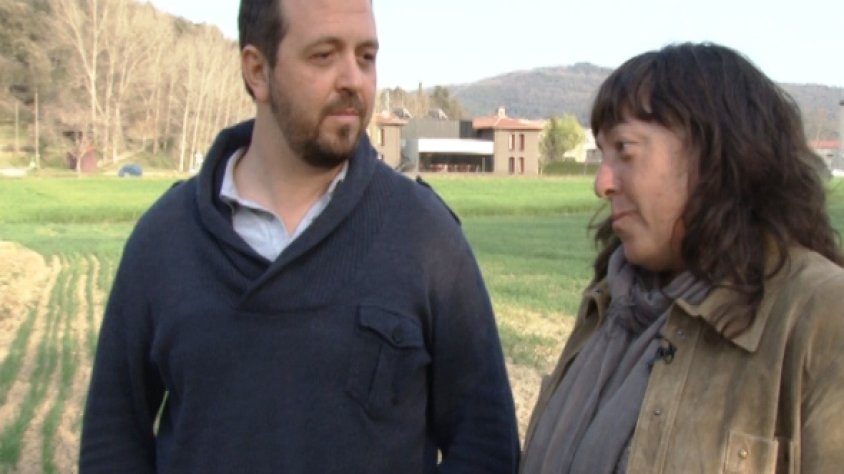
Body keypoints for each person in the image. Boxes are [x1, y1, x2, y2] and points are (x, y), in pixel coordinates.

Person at [79, 0, 519, 471]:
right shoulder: (165, 241)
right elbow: (112, 441)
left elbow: (486, 443)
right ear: (257, 71)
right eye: (324, 56)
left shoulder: (426, 237)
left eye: (366, 56)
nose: (353, 80)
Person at [521, 42, 844, 473]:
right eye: (601, 154)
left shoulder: (823, 316)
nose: (602, 183)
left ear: (714, 156)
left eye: (625, 150)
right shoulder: (607, 304)